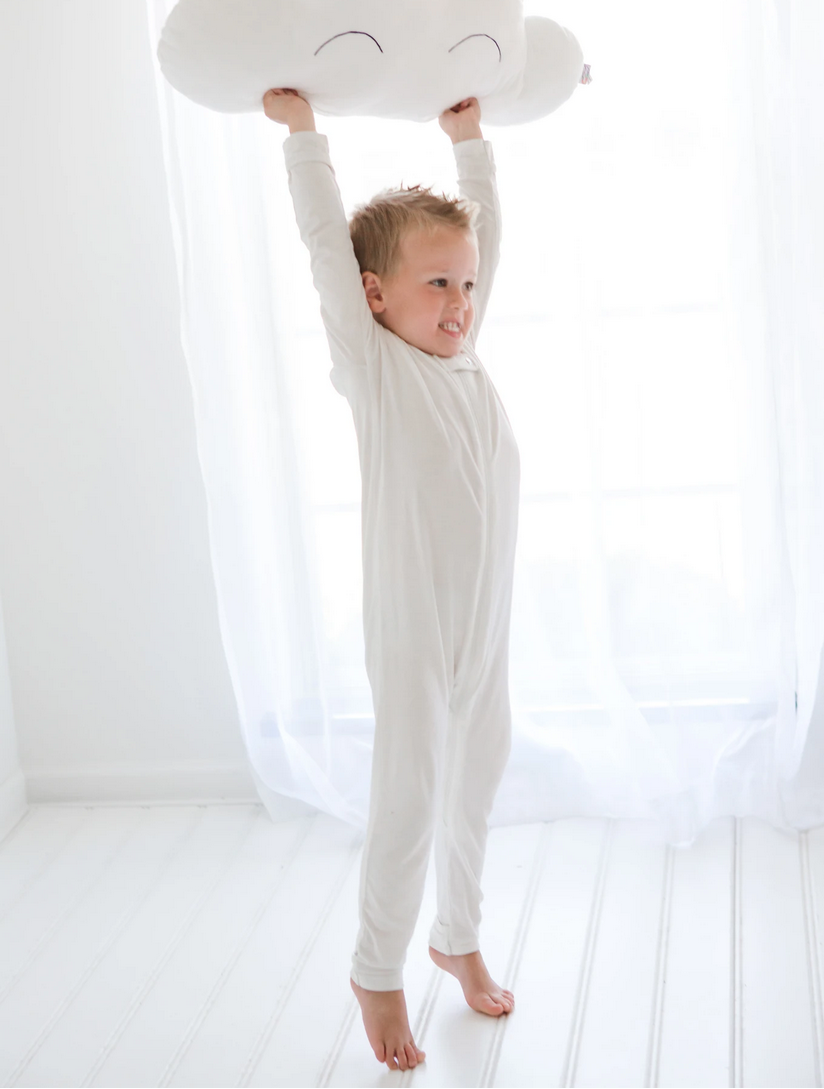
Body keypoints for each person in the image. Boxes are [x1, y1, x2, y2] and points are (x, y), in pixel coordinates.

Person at [262, 87, 519, 1072]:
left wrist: (470, 144)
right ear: (376, 297)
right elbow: (327, 254)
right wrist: (303, 139)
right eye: (436, 285)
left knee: (477, 777)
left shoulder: (465, 357)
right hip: (414, 630)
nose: (460, 303)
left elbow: (488, 241)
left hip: (482, 629)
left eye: (467, 284)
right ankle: (378, 966)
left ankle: (457, 934)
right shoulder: (376, 370)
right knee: (411, 793)